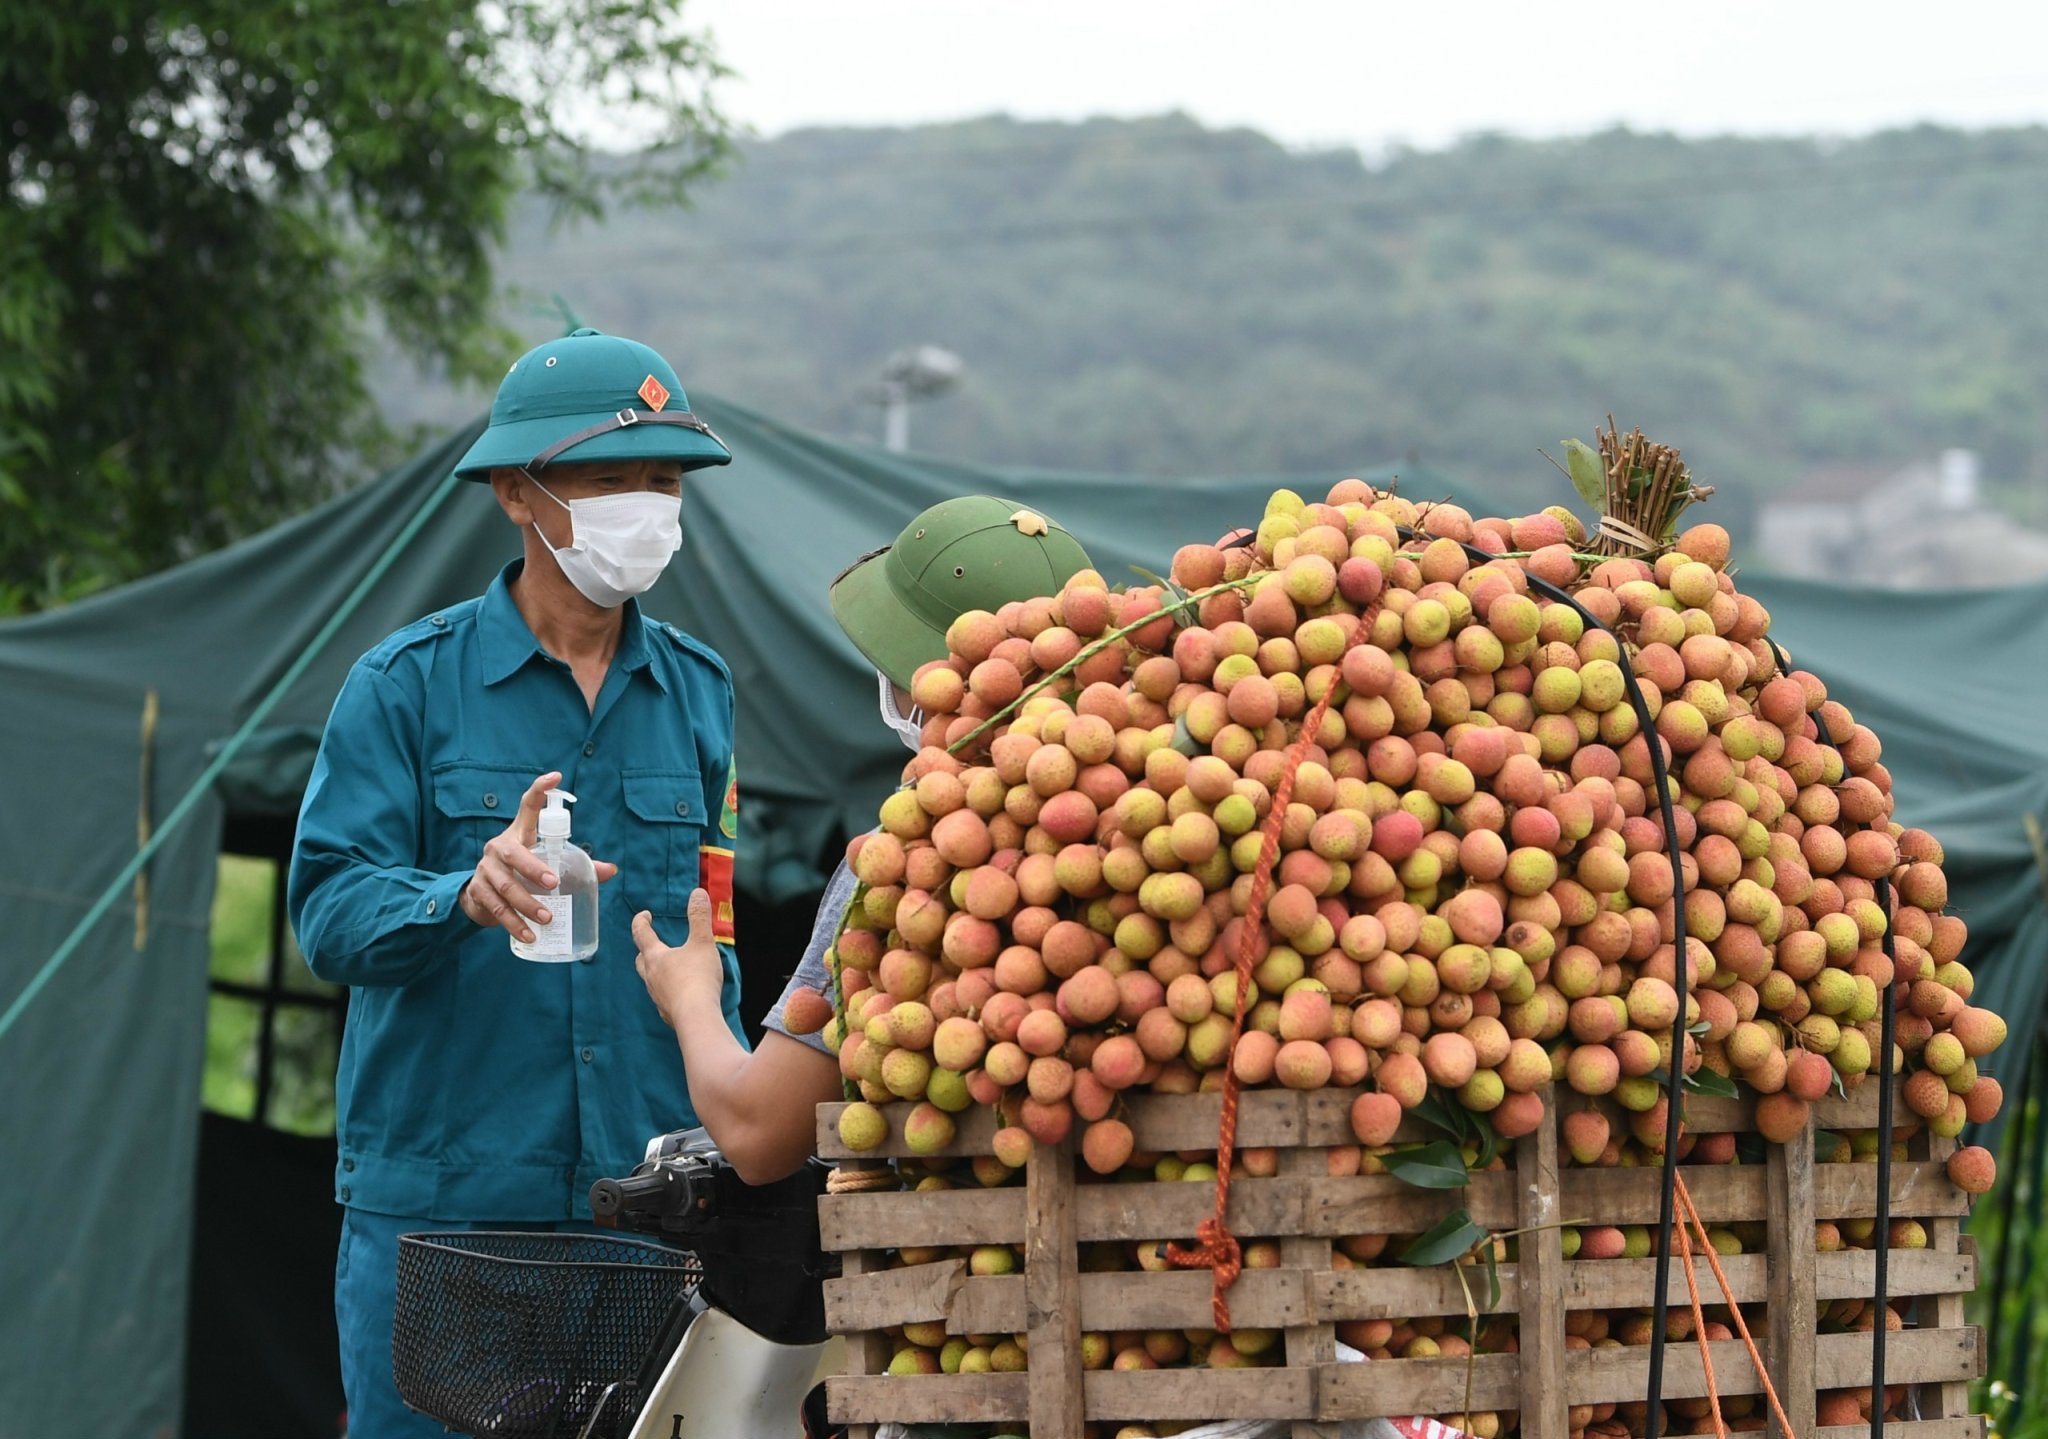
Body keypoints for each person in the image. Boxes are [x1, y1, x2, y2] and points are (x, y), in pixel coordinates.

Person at [287, 328, 742, 1437]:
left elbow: (711, 934)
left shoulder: (700, 694)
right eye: (609, 477)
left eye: (663, 478)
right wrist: (460, 893)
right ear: (514, 492)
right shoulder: (402, 686)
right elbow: (329, 911)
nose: (647, 503)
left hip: (644, 1212)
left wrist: (731, 1139)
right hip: (446, 1222)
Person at [632, 495, 1095, 1183]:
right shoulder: (1135, 813)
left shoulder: (907, 855)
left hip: (961, 1267)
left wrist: (691, 996)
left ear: (933, 683)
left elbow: (759, 1133)